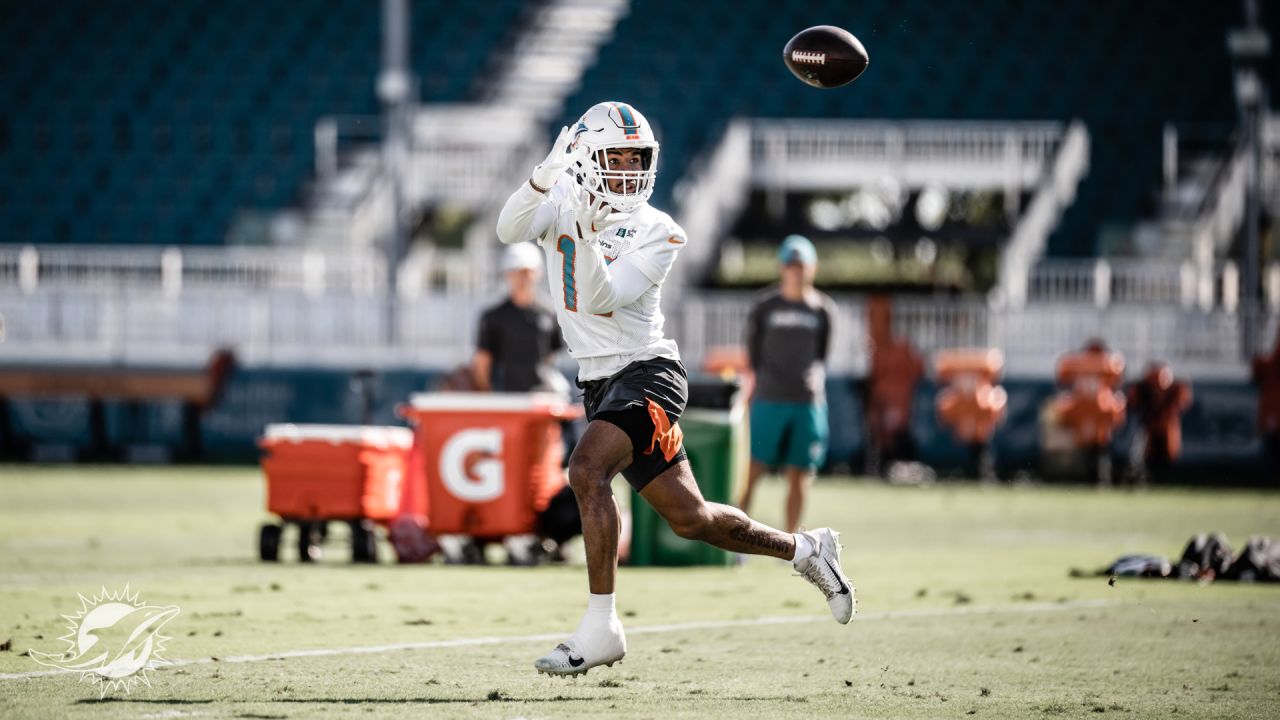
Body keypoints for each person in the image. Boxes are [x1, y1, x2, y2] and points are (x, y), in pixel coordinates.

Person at [496, 101, 855, 677]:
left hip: (649, 374)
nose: (630, 171)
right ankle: (807, 550)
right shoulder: (561, 199)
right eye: (618, 157)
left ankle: (601, 625)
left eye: (639, 159)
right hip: (598, 381)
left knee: (587, 471)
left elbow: (605, 297)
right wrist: (542, 176)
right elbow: (508, 229)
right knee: (691, 519)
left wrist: (584, 233)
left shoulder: (660, 229)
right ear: (586, 157)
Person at [737, 235, 835, 533]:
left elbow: (822, 354)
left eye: (802, 265)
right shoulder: (765, 307)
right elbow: (753, 352)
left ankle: (793, 545)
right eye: (791, 265)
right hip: (769, 399)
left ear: (812, 268)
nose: (797, 271)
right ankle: (736, 540)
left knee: (800, 474)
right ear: (782, 268)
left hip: (807, 402)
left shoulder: (822, 310)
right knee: (752, 471)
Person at [471, 242, 566, 394]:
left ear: (538, 272)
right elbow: (482, 363)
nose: (522, 278)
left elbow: (550, 356)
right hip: (505, 399)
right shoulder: (493, 317)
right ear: (507, 274)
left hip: (541, 396)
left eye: (527, 271)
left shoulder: (550, 313)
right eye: (516, 271)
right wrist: (488, 398)